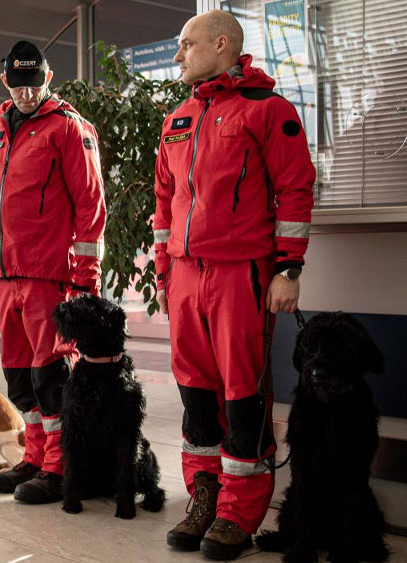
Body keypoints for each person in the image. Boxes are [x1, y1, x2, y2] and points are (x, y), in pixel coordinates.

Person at [155, 10, 314, 560]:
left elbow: (295, 189)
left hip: (241, 276)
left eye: (186, 45)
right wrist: (162, 272)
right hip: (184, 276)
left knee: (243, 394)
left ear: (221, 44)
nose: (177, 55)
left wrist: (288, 268)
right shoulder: (178, 117)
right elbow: (163, 202)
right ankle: (204, 497)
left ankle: (238, 514)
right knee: (196, 393)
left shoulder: (268, 111)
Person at [0, 40, 106, 503]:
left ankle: (59, 465)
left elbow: (91, 206)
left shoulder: (69, 128)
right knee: (18, 376)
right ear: (4, 81)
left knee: (51, 375)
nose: (26, 94)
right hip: (7, 278)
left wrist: (84, 278)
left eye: (33, 84)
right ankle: (33, 456)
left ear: (47, 79)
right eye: (17, 84)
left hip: (50, 276)